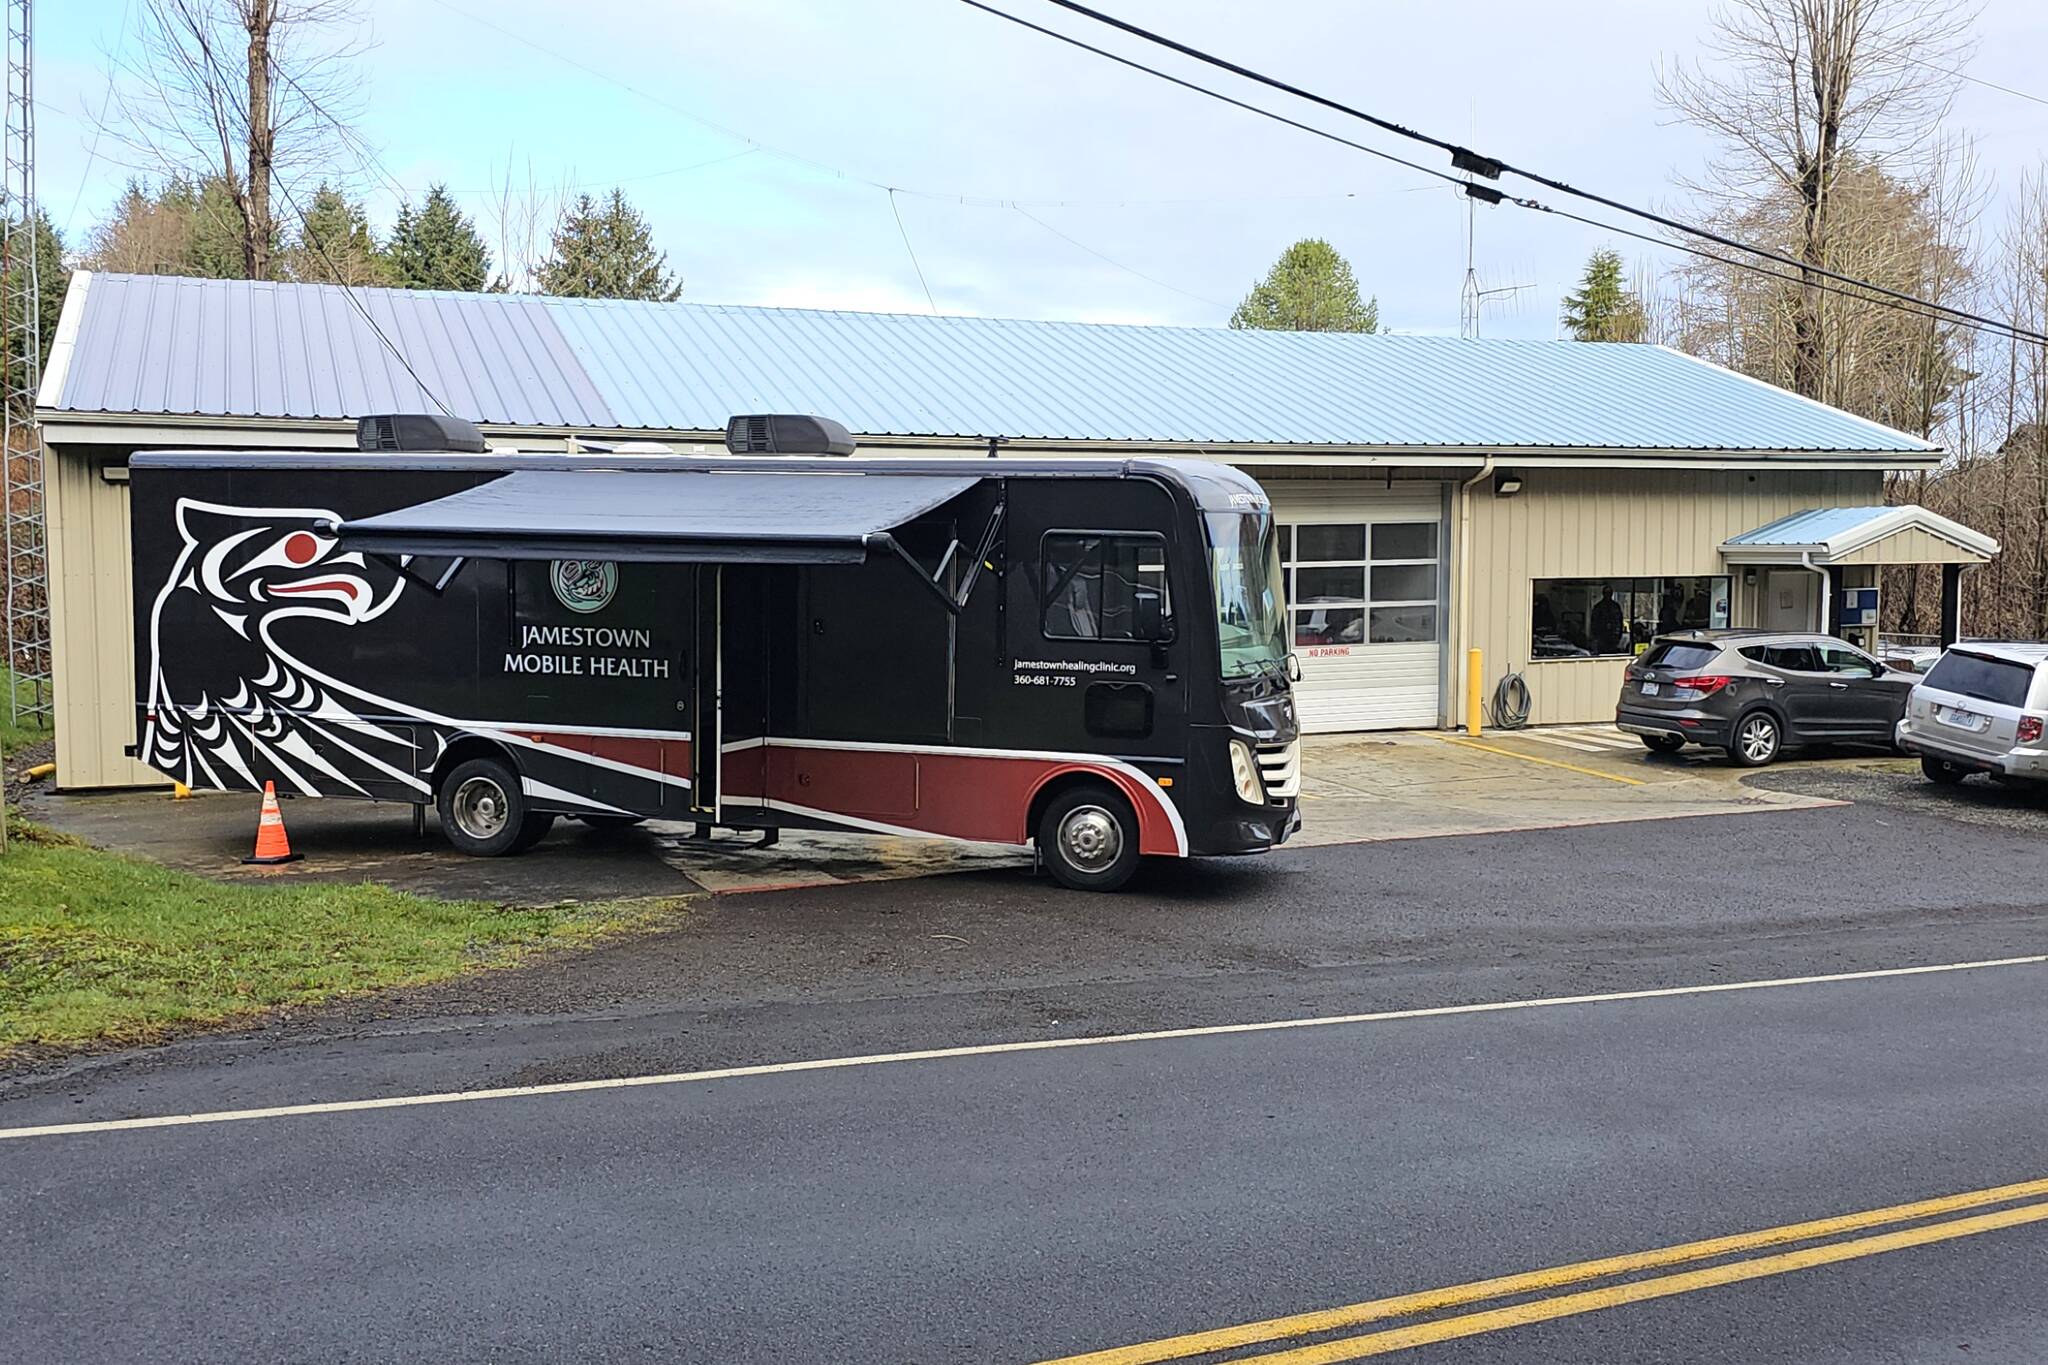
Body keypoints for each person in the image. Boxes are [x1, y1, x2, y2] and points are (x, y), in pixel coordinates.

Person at [1590, 586, 1624, 655]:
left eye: (1609, 593)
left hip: (1613, 637)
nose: (1608, 595)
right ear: (1603, 594)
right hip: (1602, 637)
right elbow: (1594, 623)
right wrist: (1596, 636)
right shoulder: (1598, 607)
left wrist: (1619, 635)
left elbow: (1620, 621)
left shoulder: (1616, 606)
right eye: (1606, 593)